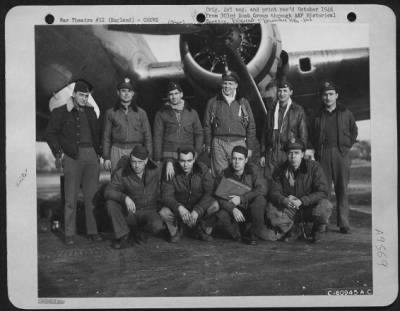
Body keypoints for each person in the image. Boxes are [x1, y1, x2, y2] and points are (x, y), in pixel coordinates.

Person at [46, 79, 103, 245]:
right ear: (74, 94)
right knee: (70, 198)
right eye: (81, 95)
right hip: (72, 156)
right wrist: (59, 153)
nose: (84, 98)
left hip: (91, 156)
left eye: (87, 96)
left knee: (91, 198)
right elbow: (50, 134)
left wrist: (98, 153)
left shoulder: (91, 112)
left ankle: (93, 231)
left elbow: (97, 135)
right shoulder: (60, 112)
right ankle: (69, 233)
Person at [310, 81, 358, 234]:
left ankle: (344, 223)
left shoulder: (346, 113)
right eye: (325, 95)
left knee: (342, 189)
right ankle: (323, 222)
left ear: (336, 95)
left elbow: (353, 131)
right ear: (321, 97)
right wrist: (315, 150)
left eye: (331, 94)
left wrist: (345, 146)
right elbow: (310, 134)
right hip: (322, 154)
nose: (328, 97)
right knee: (324, 190)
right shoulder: (316, 115)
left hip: (341, 154)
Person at [266, 138, 332, 243]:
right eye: (290, 153)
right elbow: (274, 192)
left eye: (296, 153)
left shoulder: (314, 167)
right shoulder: (280, 170)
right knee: (270, 208)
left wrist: (302, 201)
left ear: (302, 154)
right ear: (286, 154)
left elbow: (323, 191)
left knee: (325, 204)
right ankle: (294, 230)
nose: (293, 157)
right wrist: (284, 200)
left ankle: (317, 230)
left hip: (308, 207)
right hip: (290, 207)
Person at [104, 146, 165, 249]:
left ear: (146, 161)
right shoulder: (122, 173)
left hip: (150, 211)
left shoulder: (156, 170)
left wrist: (170, 164)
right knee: (110, 203)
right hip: (131, 212)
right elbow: (108, 192)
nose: (136, 165)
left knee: (157, 226)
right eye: (134, 162)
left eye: (140, 162)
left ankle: (139, 231)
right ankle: (124, 236)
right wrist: (124, 198)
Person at [159, 147, 218, 243]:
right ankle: (176, 231)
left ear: (194, 159)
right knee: (163, 212)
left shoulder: (202, 168)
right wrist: (179, 208)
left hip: (197, 208)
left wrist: (197, 210)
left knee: (215, 205)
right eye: (182, 161)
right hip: (179, 209)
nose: (186, 165)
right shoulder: (171, 170)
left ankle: (201, 229)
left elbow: (210, 192)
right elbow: (166, 195)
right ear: (178, 160)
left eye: (189, 161)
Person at [203, 71, 256, 176]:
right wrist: (208, 144)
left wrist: (250, 147)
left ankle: (237, 193)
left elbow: (251, 126)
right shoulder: (213, 102)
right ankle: (221, 193)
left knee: (239, 174)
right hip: (218, 142)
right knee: (220, 174)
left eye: (230, 84)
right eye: (225, 83)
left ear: (236, 85)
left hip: (239, 141)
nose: (227, 86)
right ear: (222, 84)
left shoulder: (243, 103)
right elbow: (207, 125)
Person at [214, 146, 269, 245]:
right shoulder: (225, 174)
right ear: (231, 159)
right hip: (235, 211)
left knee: (260, 200)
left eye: (240, 159)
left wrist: (242, 198)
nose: (237, 162)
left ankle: (253, 235)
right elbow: (220, 198)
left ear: (246, 160)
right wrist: (233, 209)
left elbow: (262, 189)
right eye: (234, 158)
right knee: (221, 214)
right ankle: (238, 234)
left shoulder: (253, 171)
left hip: (251, 208)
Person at [153, 81, 203, 180]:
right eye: (171, 94)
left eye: (176, 93)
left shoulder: (192, 112)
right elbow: (157, 137)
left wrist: (196, 152)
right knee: (169, 181)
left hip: (187, 156)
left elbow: (199, 134)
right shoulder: (161, 113)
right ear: (168, 96)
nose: (174, 97)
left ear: (181, 94)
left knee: (188, 182)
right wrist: (158, 159)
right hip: (169, 156)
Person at [260, 79, 308, 177]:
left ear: (291, 92)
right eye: (280, 91)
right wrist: (262, 154)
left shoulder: (298, 110)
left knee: (287, 183)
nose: (282, 94)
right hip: (272, 153)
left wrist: (301, 154)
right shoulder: (272, 109)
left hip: (288, 153)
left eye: (285, 91)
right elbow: (265, 132)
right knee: (270, 182)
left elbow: (303, 134)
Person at [102, 77, 152, 171]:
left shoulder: (141, 113)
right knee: (117, 180)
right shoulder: (111, 113)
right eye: (123, 91)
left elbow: (147, 136)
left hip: (136, 150)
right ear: (118, 93)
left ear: (133, 94)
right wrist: (106, 157)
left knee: (136, 181)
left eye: (129, 91)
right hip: (117, 150)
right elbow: (106, 137)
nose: (126, 94)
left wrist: (148, 156)